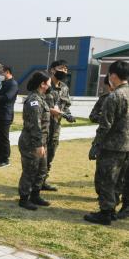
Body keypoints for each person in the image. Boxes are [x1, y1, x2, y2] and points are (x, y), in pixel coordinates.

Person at [84, 60, 129, 225]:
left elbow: (105, 125)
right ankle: (111, 211)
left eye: (109, 74)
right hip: (127, 146)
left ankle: (105, 213)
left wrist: (95, 145)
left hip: (112, 147)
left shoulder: (114, 96)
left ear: (114, 76)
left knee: (106, 180)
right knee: (119, 180)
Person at [17, 71, 52, 210]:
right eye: (48, 83)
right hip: (31, 143)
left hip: (40, 142)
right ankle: (24, 198)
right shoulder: (34, 101)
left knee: (42, 169)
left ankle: (35, 195)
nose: (50, 85)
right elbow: (36, 125)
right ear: (42, 84)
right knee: (30, 171)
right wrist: (38, 144)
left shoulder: (41, 98)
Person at [43, 59, 75, 192]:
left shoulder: (65, 88)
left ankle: (43, 180)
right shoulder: (44, 85)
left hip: (56, 127)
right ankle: (34, 181)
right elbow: (37, 103)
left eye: (66, 69)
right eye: (61, 68)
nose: (64, 71)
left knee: (50, 153)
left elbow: (66, 106)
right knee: (39, 154)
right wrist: (51, 110)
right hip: (43, 126)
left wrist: (68, 114)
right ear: (52, 70)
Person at [0, 65, 19, 167]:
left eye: (1, 72)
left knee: (3, 137)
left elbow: (7, 97)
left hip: (5, 114)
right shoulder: (1, 82)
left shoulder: (13, 84)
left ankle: (5, 159)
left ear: (7, 72)